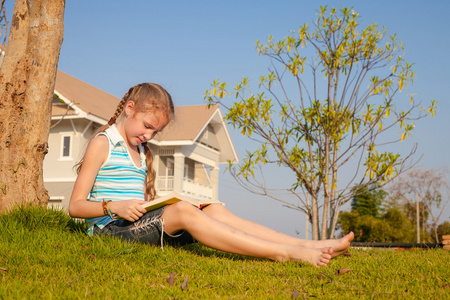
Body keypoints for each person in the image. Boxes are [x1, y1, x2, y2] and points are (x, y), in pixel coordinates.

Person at [69, 83, 354, 267]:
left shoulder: (141, 151)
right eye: (147, 126)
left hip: (137, 225)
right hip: (110, 230)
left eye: (155, 131)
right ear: (129, 109)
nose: (149, 135)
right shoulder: (103, 143)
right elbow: (75, 206)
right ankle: (283, 253)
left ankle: (314, 244)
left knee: (213, 207)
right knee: (183, 210)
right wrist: (112, 206)